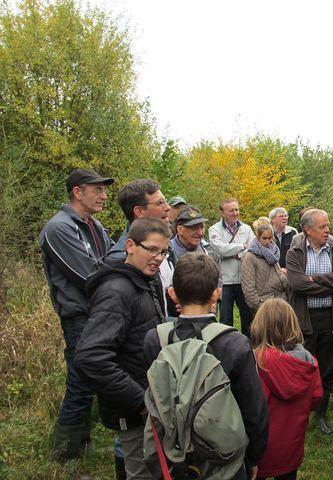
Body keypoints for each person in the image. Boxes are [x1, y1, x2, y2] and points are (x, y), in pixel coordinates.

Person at [143, 253, 269, 480]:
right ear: (216, 294)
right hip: (223, 457)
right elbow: (253, 409)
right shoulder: (234, 343)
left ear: (172, 294)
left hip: (172, 454)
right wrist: (253, 457)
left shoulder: (155, 340)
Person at [74, 218, 171, 479]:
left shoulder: (144, 280)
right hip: (136, 414)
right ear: (130, 245)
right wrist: (140, 401)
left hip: (151, 406)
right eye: (151, 249)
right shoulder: (117, 291)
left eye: (163, 251)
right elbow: (91, 357)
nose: (158, 258)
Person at [40, 168, 114, 461]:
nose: (104, 195)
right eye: (97, 189)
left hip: (96, 313)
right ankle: (64, 454)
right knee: (81, 381)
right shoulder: (59, 228)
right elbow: (88, 275)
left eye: (104, 190)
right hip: (79, 317)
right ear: (77, 192)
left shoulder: (93, 225)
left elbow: (110, 260)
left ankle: (81, 444)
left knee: (89, 380)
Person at [286, 208, 333, 434]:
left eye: (328, 225)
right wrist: (329, 287)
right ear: (308, 230)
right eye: (322, 226)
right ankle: (301, 413)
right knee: (303, 368)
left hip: (331, 319)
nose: (327, 230)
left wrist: (316, 280)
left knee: (327, 369)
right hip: (305, 320)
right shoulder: (294, 251)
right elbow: (297, 284)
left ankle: (320, 414)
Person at [250, 298, 322, 480]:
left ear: (259, 325)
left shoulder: (255, 362)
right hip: (291, 445)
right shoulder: (309, 362)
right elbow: (316, 396)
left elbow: (250, 408)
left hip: (261, 449)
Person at [106, 179, 175, 316]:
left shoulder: (167, 245)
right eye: (160, 203)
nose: (167, 207)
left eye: (165, 201)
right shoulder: (120, 258)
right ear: (139, 211)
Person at [208, 197, 255, 334]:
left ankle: (248, 348)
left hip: (244, 280)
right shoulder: (214, 230)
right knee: (226, 320)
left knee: (248, 318)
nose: (235, 213)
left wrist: (233, 252)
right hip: (225, 282)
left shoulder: (246, 228)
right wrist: (242, 246)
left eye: (237, 209)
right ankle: (226, 349)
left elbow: (252, 249)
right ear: (222, 213)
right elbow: (220, 249)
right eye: (231, 211)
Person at [241, 222, 288, 314]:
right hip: (264, 304)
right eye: (264, 238)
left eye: (270, 238)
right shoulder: (249, 257)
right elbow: (248, 288)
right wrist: (259, 306)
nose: (267, 241)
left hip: (281, 300)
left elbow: (277, 274)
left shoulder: (273, 253)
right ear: (258, 237)